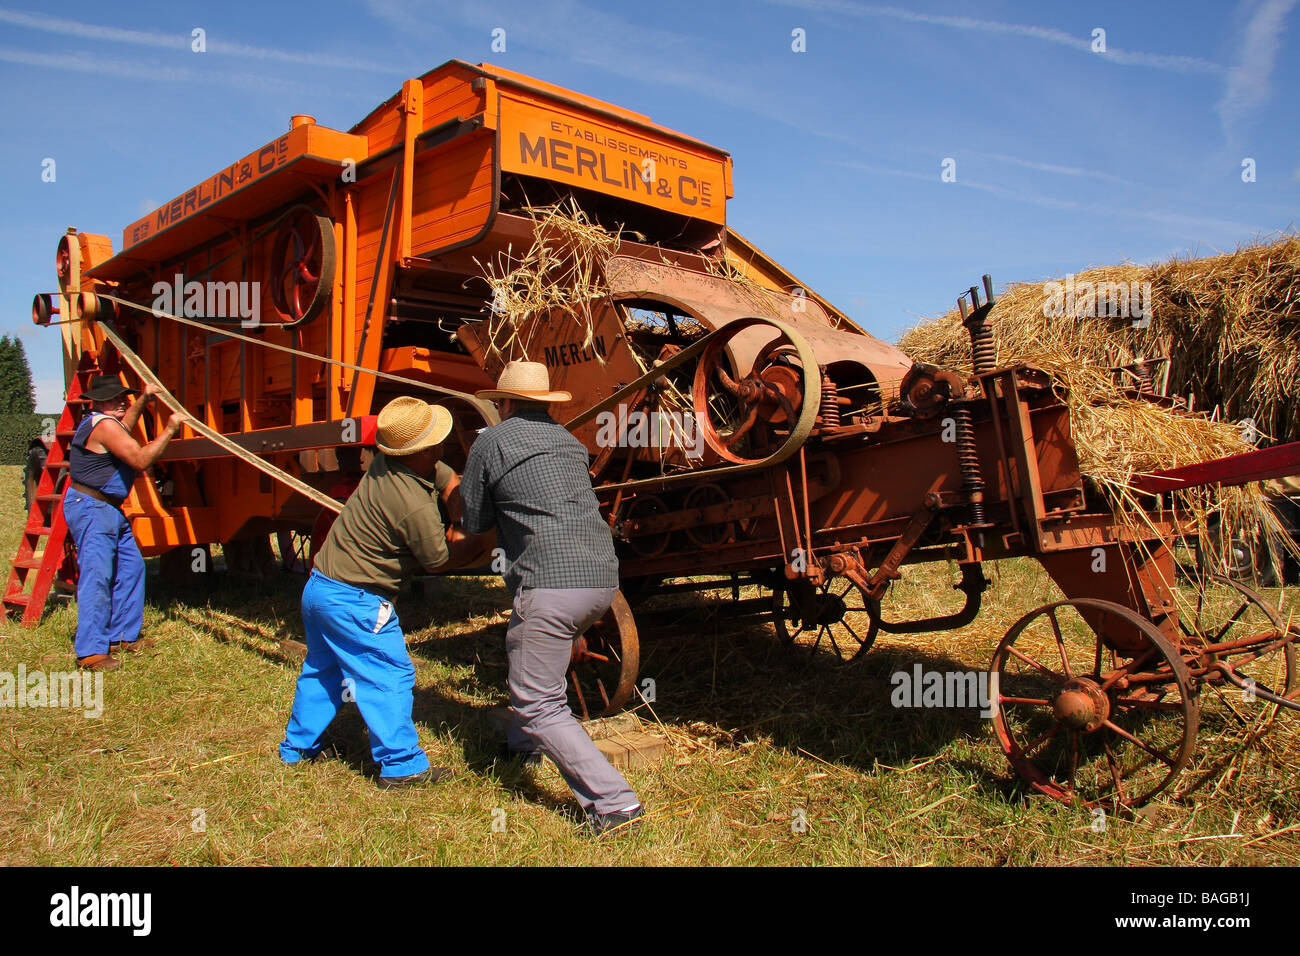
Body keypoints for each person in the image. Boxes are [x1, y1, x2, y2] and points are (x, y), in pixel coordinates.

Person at [461, 360, 643, 834]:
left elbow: (474, 523)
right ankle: (525, 743)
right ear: (545, 403)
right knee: (537, 651)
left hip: (551, 584)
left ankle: (615, 803)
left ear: (501, 403)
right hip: (602, 581)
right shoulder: (568, 442)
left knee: (539, 700)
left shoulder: (490, 442)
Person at [278, 396, 457, 789]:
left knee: (322, 670)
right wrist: (472, 534)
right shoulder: (413, 505)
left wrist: (455, 493)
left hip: (320, 587)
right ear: (426, 448)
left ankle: (297, 747)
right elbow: (438, 560)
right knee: (388, 675)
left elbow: (444, 476)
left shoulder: (386, 464)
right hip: (357, 601)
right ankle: (402, 765)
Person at [65, 376, 186, 672]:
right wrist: (171, 428)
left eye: (124, 397)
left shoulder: (108, 423)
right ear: (98, 402)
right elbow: (141, 459)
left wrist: (144, 398)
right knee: (98, 576)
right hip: (92, 507)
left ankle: (122, 636)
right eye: (114, 398)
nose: (121, 401)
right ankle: (91, 652)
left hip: (108, 509)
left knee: (132, 567)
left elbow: (126, 426)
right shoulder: (103, 426)